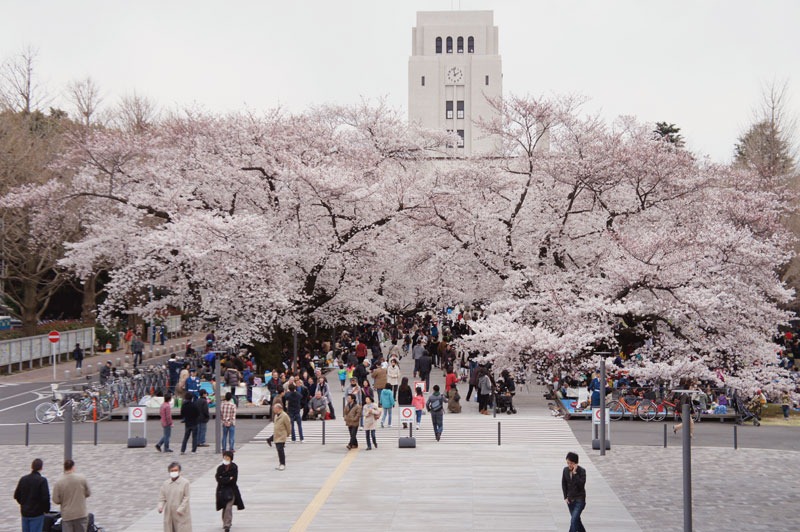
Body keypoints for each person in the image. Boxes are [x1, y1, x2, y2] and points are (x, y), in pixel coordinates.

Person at [51, 459, 91, 532]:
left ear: (64, 468)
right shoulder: (82, 478)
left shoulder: (59, 482)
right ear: (73, 467)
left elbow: (56, 500)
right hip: (80, 514)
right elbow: (88, 493)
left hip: (67, 516)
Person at [14, 458, 50, 532]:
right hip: (37, 514)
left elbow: (16, 495)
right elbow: (45, 498)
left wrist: (23, 504)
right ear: (41, 468)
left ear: (32, 467)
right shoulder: (42, 480)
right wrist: (46, 510)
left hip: (25, 513)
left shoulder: (23, 479)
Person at [215, 450, 244, 532]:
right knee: (224, 507)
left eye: (227, 457)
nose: (225, 459)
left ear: (231, 459)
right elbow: (218, 478)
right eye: (224, 457)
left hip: (231, 490)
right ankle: (225, 522)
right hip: (221, 491)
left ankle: (227, 525)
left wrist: (224, 479)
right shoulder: (220, 468)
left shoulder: (234, 467)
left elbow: (234, 480)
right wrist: (228, 479)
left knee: (228, 507)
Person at [158, 462, 192, 532]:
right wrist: (160, 506)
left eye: (176, 470)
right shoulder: (166, 483)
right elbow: (162, 497)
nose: (174, 472)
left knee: (182, 529)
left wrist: (180, 509)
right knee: (169, 528)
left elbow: (186, 498)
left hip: (181, 513)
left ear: (179, 471)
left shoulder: (185, 483)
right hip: (169, 512)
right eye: (172, 471)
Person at [562, 452, 587, 532]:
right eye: (568, 463)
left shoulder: (582, 471)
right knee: (576, 520)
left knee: (573, 521)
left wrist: (575, 474)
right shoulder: (565, 470)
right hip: (570, 501)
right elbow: (564, 484)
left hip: (580, 500)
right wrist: (565, 497)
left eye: (571, 463)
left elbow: (581, 485)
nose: (569, 465)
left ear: (576, 463)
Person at [266, 403, 290, 470]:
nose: (273, 410)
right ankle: (280, 463)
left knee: (280, 449)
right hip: (277, 435)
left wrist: (288, 434)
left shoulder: (285, 416)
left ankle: (283, 464)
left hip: (282, 435)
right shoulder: (276, 415)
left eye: (274, 408)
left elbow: (288, 425)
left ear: (278, 409)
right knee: (279, 450)